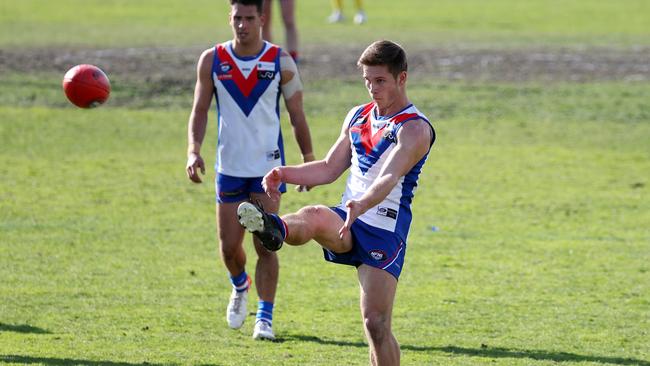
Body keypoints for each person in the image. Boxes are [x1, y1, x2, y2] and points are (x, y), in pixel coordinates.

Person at [238, 40, 435, 364]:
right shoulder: (357, 116)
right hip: (347, 218)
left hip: (383, 228)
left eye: (380, 80)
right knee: (314, 215)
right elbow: (329, 168)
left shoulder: (414, 129)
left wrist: (363, 203)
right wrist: (284, 173)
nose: (372, 88)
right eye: (367, 80)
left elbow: (388, 177)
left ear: (402, 78)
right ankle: (274, 227)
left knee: (376, 325)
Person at [185, 0, 314, 341]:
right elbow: (199, 110)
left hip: (267, 171)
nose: (242, 25)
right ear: (230, 19)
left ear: (262, 19)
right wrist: (193, 151)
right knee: (229, 249)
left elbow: (297, 115)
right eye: (237, 18)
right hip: (229, 169)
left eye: (249, 18)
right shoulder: (212, 61)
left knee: (267, 245)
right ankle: (240, 284)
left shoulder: (280, 61)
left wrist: (308, 159)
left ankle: (264, 319)